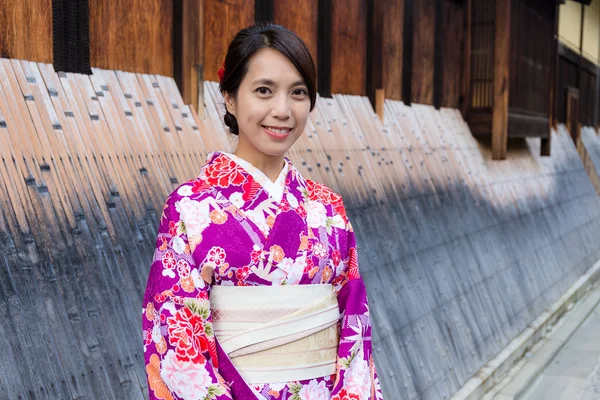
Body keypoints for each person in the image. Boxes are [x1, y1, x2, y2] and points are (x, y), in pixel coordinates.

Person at [142, 23, 382, 400]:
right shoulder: (190, 208)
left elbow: (354, 331)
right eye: (264, 91)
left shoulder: (328, 209)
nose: (282, 110)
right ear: (230, 98)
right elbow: (177, 340)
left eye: (298, 93)